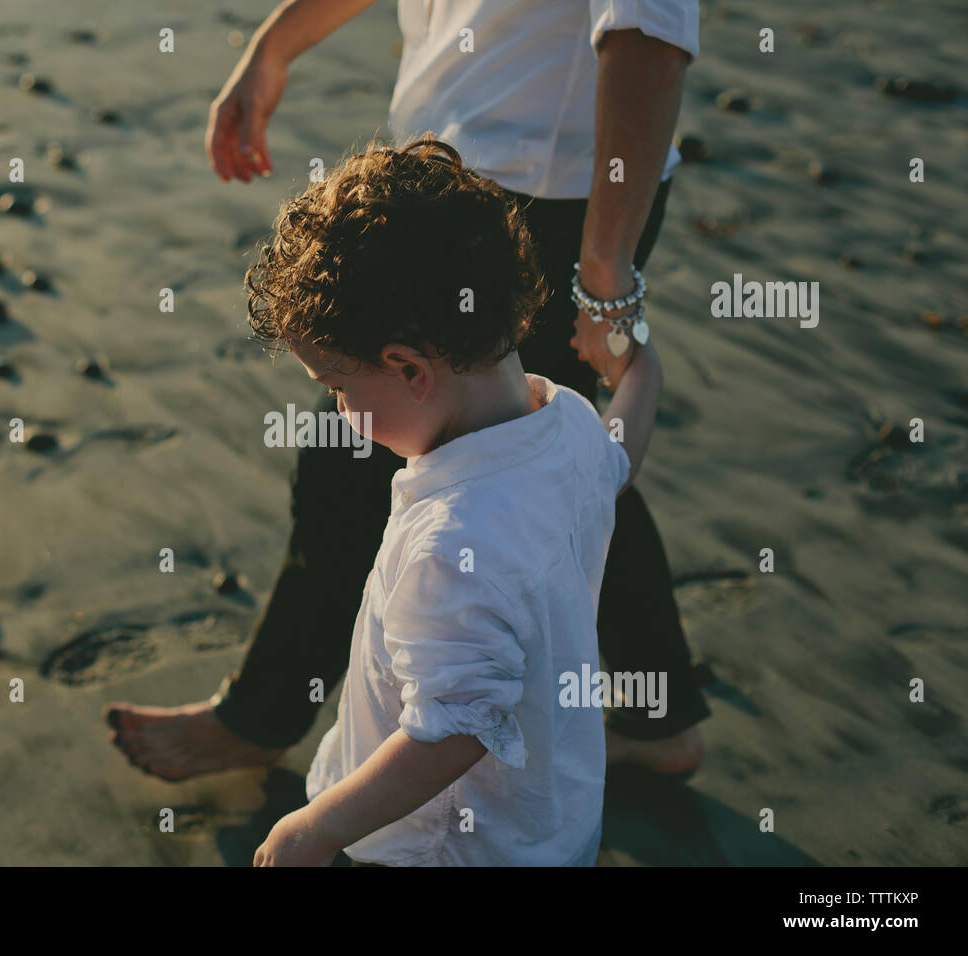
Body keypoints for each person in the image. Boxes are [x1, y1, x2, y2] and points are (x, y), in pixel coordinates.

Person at [108, 0, 709, 781]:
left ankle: (265, 721)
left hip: (552, 198)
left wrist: (604, 275)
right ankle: (657, 719)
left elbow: (646, 37)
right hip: (442, 172)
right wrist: (273, 45)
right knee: (549, 459)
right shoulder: (580, 457)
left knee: (375, 468)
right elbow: (605, 457)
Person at [249, 136, 663, 865]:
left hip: (441, 847)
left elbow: (457, 728)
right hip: (550, 826)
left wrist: (314, 828)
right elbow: (620, 450)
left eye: (337, 387)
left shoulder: (455, 544)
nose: (340, 409)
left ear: (409, 369)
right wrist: (638, 361)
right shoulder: (563, 421)